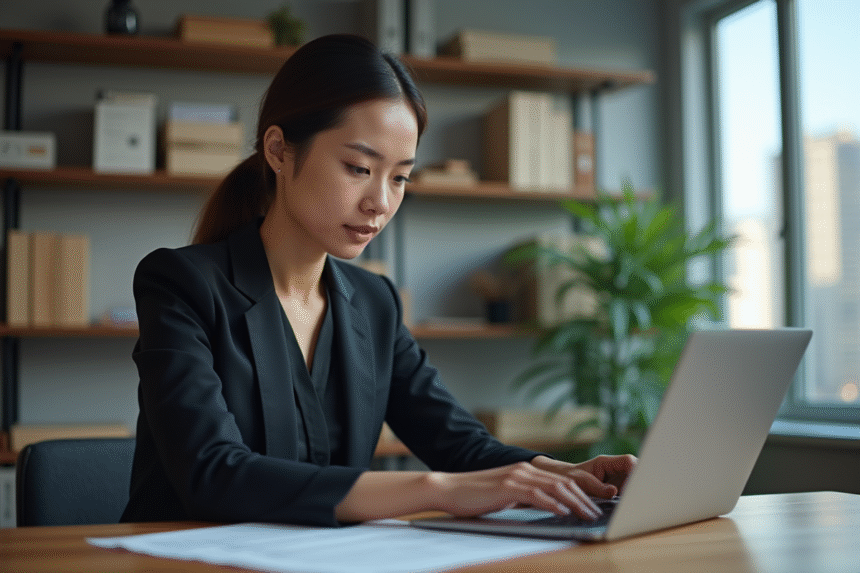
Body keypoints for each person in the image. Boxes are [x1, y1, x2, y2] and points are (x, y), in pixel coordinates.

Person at [122, 33, 635, 527]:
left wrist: (569, 475)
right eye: (358, 168)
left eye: (400, 177)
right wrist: (435, 491)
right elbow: (212, 475)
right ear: (278, 151)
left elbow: (461, 446)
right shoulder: (181, 283)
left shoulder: (373, 302)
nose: (381, 203)